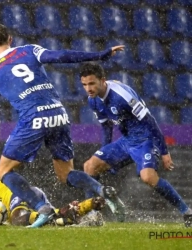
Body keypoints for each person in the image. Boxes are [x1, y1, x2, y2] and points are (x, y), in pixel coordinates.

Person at [0, 23, 125, 228]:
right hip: (59, 113)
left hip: (33, 116)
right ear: (10, 39)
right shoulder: (29, 50)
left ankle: (40, 206)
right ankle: (102, 190)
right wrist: (100, 54)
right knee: (66, 174)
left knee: (4, 171)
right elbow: (62, 56)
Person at [79, 62, 192, 227]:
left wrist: (164, 152)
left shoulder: (121, 96)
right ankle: (93, 216)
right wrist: (105, 152)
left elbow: (151, 122)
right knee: (90, 166)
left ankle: (187, 212)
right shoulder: (93, 100)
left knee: (148, 177)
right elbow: (106, 127)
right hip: (126, 141)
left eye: (91, 83)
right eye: (84, 85)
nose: (88, 88)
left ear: (102, 80)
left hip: (145, 140)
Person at [0, 175, 106, 226]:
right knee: (54, 223)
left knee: (19, 219)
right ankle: (87, 210)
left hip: (19, 195)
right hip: (28, 201)